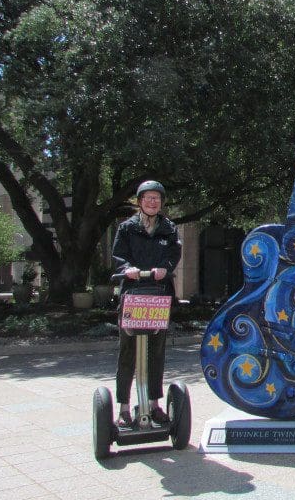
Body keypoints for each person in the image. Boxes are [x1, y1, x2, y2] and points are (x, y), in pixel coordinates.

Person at [111, 180, 182, 427]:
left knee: (156, 351)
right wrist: (126, 268)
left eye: (157, 198)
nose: (152, 202)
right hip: (132, 294)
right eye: (148, 198)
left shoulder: (169, 229)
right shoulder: (127, 228)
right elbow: (118, 254)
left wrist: (166, 268)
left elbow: (174, 254)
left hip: (158, 295)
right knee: (127, 351)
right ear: (140, 201)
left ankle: (153, 404)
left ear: (161, 202)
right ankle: (123, 408)